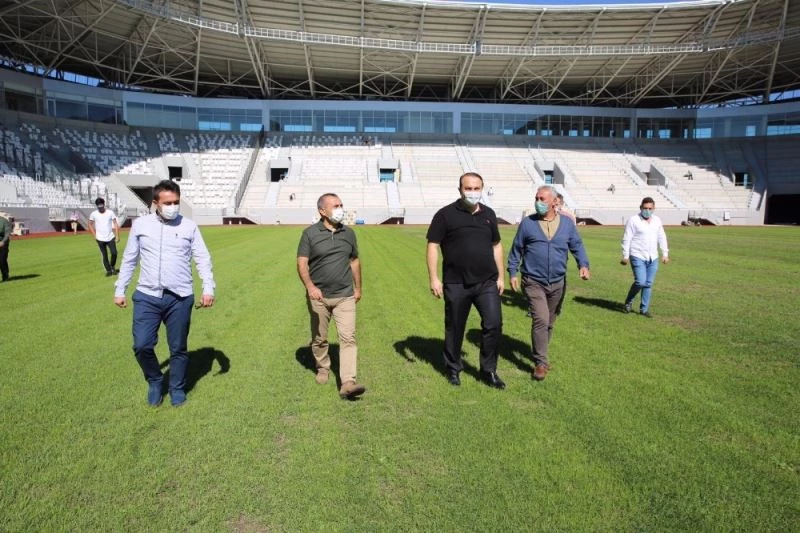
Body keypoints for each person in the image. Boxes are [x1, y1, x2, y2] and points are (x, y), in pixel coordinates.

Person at [114, 180, 215, 407]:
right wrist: (120, 289)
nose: (173, 206)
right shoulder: (141, 226)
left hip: (179, 297)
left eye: (176, 202)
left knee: (178, 348)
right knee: (141, 345)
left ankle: (177, 388)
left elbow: (202, 257)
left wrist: (208, 287)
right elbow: (130, 259)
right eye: (167, 202)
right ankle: (155, 380)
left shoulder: (189, 227)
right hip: (147, 296)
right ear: (155, 204)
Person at [426, 172, 506, 389]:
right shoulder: (445, 215)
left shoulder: (488, 214)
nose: (472, 192)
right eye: (468, 188)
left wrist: (501, 276)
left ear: (482, 188)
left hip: (486, 282)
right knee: (455, 327)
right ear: (460, 189)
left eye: (476, 188)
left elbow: (496, 245)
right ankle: (453, 369)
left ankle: (488, 370)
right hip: (456, 283)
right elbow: (433, 245)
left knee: (494, 324)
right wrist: (434, 278)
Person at [507, 185, 590, 381]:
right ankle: (541, 363)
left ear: (554, 202)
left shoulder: (567, 225)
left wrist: (583, 264)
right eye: (536, 198)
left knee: (550, 322)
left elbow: (576, 245)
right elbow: (516, 249)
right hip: (533, 280)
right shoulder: (528, 224)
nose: (538, 202)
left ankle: (540, 353)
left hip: (557, 282)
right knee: (541, 320)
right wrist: (512, 272)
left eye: (542, 199)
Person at [297, 193, 366, 400]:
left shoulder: (349, 234)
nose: (340, 209)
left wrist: (358, 288)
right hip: (319, 297)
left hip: (345, 295)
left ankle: (348, 382)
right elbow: (301, 263)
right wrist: (310, 286)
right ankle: (323, 367)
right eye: (335, 206)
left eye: (341, 205)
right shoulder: (309, 234)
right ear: (322, 211)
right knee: (320, 338)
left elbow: (354, 261)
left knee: (348, 338)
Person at [621, 197, 669, 318]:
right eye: (645, 208)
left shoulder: (657, 220)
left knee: (648, 283)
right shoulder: (633, 220)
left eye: (650, 208)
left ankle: (644, 309)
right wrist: (625, 256)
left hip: (653, 257)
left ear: (654, 208)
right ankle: (628, 301)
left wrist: (665, 254)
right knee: (640, 281)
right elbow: (627, 238)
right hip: (637, 255)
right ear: (641, 208)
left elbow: (662, 237)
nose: (647, 210)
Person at [88, 198, 121, 276]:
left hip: (110, 237)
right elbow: (89, 224)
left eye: (101, 205)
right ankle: (109, 271)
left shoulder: (110, 213)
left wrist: (117, 235)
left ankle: (112, 266)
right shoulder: (94, 214)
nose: (100, 207)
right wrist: (94, 235)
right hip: (100, 238)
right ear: (96, 206)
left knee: (114, 252)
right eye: (98, 206)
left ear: (104, 204)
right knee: (104, 255)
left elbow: (115, 224)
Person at [0, 212, 12, 282]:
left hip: (3, 243)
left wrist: (3, 241)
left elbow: (7, 233)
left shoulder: (4, 222)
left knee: (2, 260)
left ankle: (5, 275)